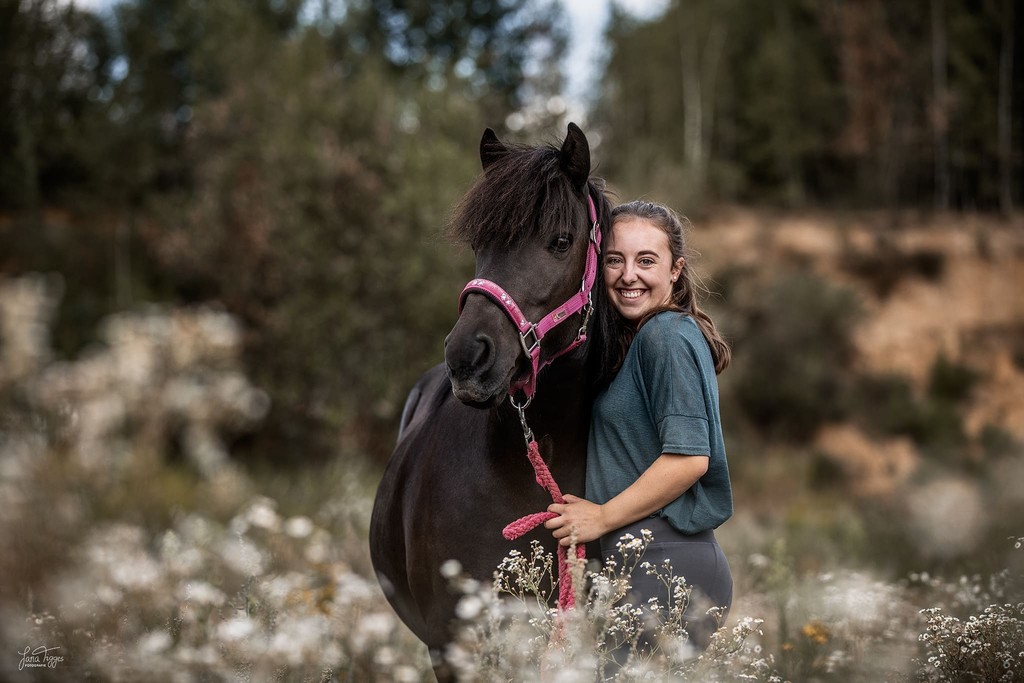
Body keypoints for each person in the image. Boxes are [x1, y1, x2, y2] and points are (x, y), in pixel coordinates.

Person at [544, 199, 733, 652]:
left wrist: (601, 517)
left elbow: (688, 460)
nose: (628, 274)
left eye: (646, 260)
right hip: (641, 560)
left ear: (676, 270)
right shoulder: (642, 340)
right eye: (615, 260)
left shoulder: (666, 335)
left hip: (666, 559)